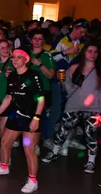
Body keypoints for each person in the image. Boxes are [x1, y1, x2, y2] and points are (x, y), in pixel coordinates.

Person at [0, 49, 45, 193]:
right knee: (4, 142)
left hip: (31, 116)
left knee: (28, 148)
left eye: (19, 57)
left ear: (26, 60)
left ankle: (33, 180)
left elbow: (41, 98)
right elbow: (9, 97)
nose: (15, 60)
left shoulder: (33, 75)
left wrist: (36, 118)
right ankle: (4, 167)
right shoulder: (12, 76)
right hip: (16, 115)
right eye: (13, 57)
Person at [43, 42, 101, 174]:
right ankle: (54, 152)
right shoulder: (75, 68)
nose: (92, 54)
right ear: (84, 52)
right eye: (89, 51)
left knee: (91, 134)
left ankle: (91, 161)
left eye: (95, 52)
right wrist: (62, 81)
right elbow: (68, 87)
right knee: (63, 130)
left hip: (94, 108)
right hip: (73, 105)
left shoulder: (99, 71)